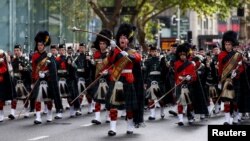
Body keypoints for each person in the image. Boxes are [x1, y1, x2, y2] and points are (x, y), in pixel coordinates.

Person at [102, 23, 143, 136]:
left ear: (128, 40)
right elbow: (109, 61)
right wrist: (113, 49)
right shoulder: (114, 51)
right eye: (120, 37)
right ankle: (113, 128)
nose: (122, 39)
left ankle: (129, 126)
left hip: (128, 80)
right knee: (113, 106)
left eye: (124, 37)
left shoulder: (132, 51)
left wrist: (129, 56)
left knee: (129, 107)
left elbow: (138, 59)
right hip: (116, 79)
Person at [31, 31, 58, 124]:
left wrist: (46, 74)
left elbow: (53, 70)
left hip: (47, 79)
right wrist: (33, 80)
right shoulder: (34, 56)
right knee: (37, 98)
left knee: (48, 99)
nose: (39, 46)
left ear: (44, 45)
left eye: (41, 45)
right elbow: (34, 69)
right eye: (38, 45)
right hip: (38, 79)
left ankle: (49, 114)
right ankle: (38, 117)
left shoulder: (49, 56)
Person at [218, 31, 244, 125]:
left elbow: (241, 68)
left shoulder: (237, 55)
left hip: (235, 80)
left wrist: (236, 72)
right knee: (226, 101)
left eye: (229, 44)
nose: (227, 46)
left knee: (235, 101)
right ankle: (227, 120)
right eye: (226, 44)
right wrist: (220, 81)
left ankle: (236, 118)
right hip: (225, 80)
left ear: (232, 44)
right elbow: (220, 69)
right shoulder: (221, 55)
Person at [91, 29, 112, 125]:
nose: (101, 45)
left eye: (103, 43)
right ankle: (97, 117)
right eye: (100, 43)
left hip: (108, 78)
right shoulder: (96, 54)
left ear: (107, 44)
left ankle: (108, 115)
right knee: (97, 98)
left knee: (108, 98)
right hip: (98, 78)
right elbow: (94, 67)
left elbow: (114, 67)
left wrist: (108, 72)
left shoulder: (110, 54)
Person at [174, 43, 197, 126]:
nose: (182, 56)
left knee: (189, 103)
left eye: (184, 55)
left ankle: (190, 117)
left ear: (186, 55)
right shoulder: (176, 63)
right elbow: (176, 75)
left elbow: (194, 76)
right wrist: (177, 82)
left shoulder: (190, 64)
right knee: (180, 102)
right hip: (180, 84)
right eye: (181, 55)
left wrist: (190, 77)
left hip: (188, 85)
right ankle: (180, 119)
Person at [144, 45, 169, 120]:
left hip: (159, 80)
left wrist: (165, 64)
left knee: (160, 98)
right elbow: (145, 72)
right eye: (152, 51)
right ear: (150, 52)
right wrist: (145, 82)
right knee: (150, 98)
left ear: (158, 52)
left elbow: (165, 71)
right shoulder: (147, 61)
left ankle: (162, 111)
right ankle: (152, 115)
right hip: (150, 80)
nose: (154, 53)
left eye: (155, 51)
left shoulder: (161, 60)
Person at [8, 44, 32, 119]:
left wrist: (23, 69)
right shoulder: (13, 60)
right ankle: (12, 112)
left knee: (25, 97)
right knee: (14, 96)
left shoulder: (25, 59)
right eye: (15, 50)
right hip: (16, 80)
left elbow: (30, 69)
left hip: (24, 81)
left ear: (20, 51)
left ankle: (26, 111)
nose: (16, 52)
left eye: (17, 50)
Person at [0, 49, 15, 122]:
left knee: (1, 99)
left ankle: (2, 114)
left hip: (3, 81)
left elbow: (5, 68)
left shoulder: (2, 53)